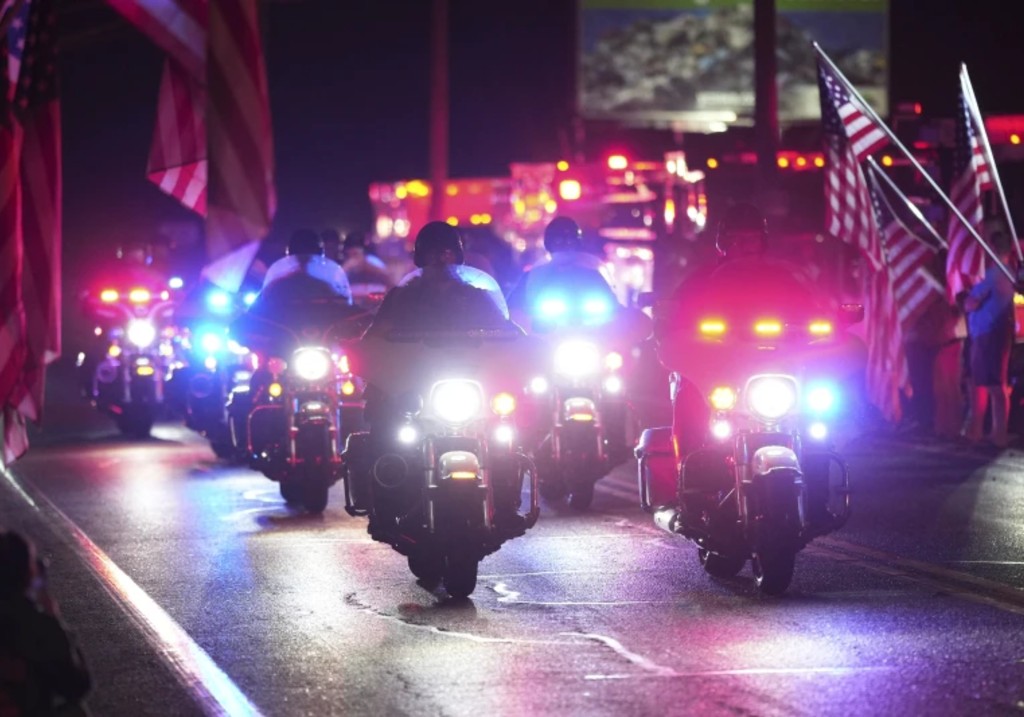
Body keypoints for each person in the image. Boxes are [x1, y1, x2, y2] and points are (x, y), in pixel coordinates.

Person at [656, 204, 864, 528]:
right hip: (722, 379)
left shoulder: (786, 277)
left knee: (816, 422)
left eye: (751, 240)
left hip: (779, 377)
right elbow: (673, 320)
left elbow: (817, 312)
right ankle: (691, 493)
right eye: (737, 240)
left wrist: (832, 321)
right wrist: (671, 322)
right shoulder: (701, 280)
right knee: (689, 400)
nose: (744, 246)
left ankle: (818, 499)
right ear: (722, 243)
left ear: (763, 242)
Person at [363, 222, 512, 338]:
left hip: (470, 371)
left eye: (447, 254)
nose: (441, 260)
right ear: (421, 258)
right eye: (433, 254)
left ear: (457, 257)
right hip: (410, 373)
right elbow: (374, 339)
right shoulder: (398, 299)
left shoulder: (477, 297)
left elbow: (506, 333)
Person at [0, 530, 91, 716]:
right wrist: (54, 618)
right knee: (76, 711)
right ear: (27, 575)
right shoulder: (31, 623)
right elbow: (77, 685)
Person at [506, 216, 619, 330]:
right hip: (546, 337)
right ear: (549, 243)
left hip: (592, 334)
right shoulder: (534, 276)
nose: (565, 245)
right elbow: (512, 309)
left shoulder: (593, 274)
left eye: (570, 241)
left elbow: (615, 307)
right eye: (559, 241)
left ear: (578, 242)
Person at [962, 231, 1017, 448]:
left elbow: (971, 303)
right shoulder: (1011, 272)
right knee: (995, 383)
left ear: (993, 248)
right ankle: (996, 432)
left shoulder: (994, 274)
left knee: (989, 383)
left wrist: (964, 298)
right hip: (998, 332)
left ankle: (988, 432)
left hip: (988, 333)